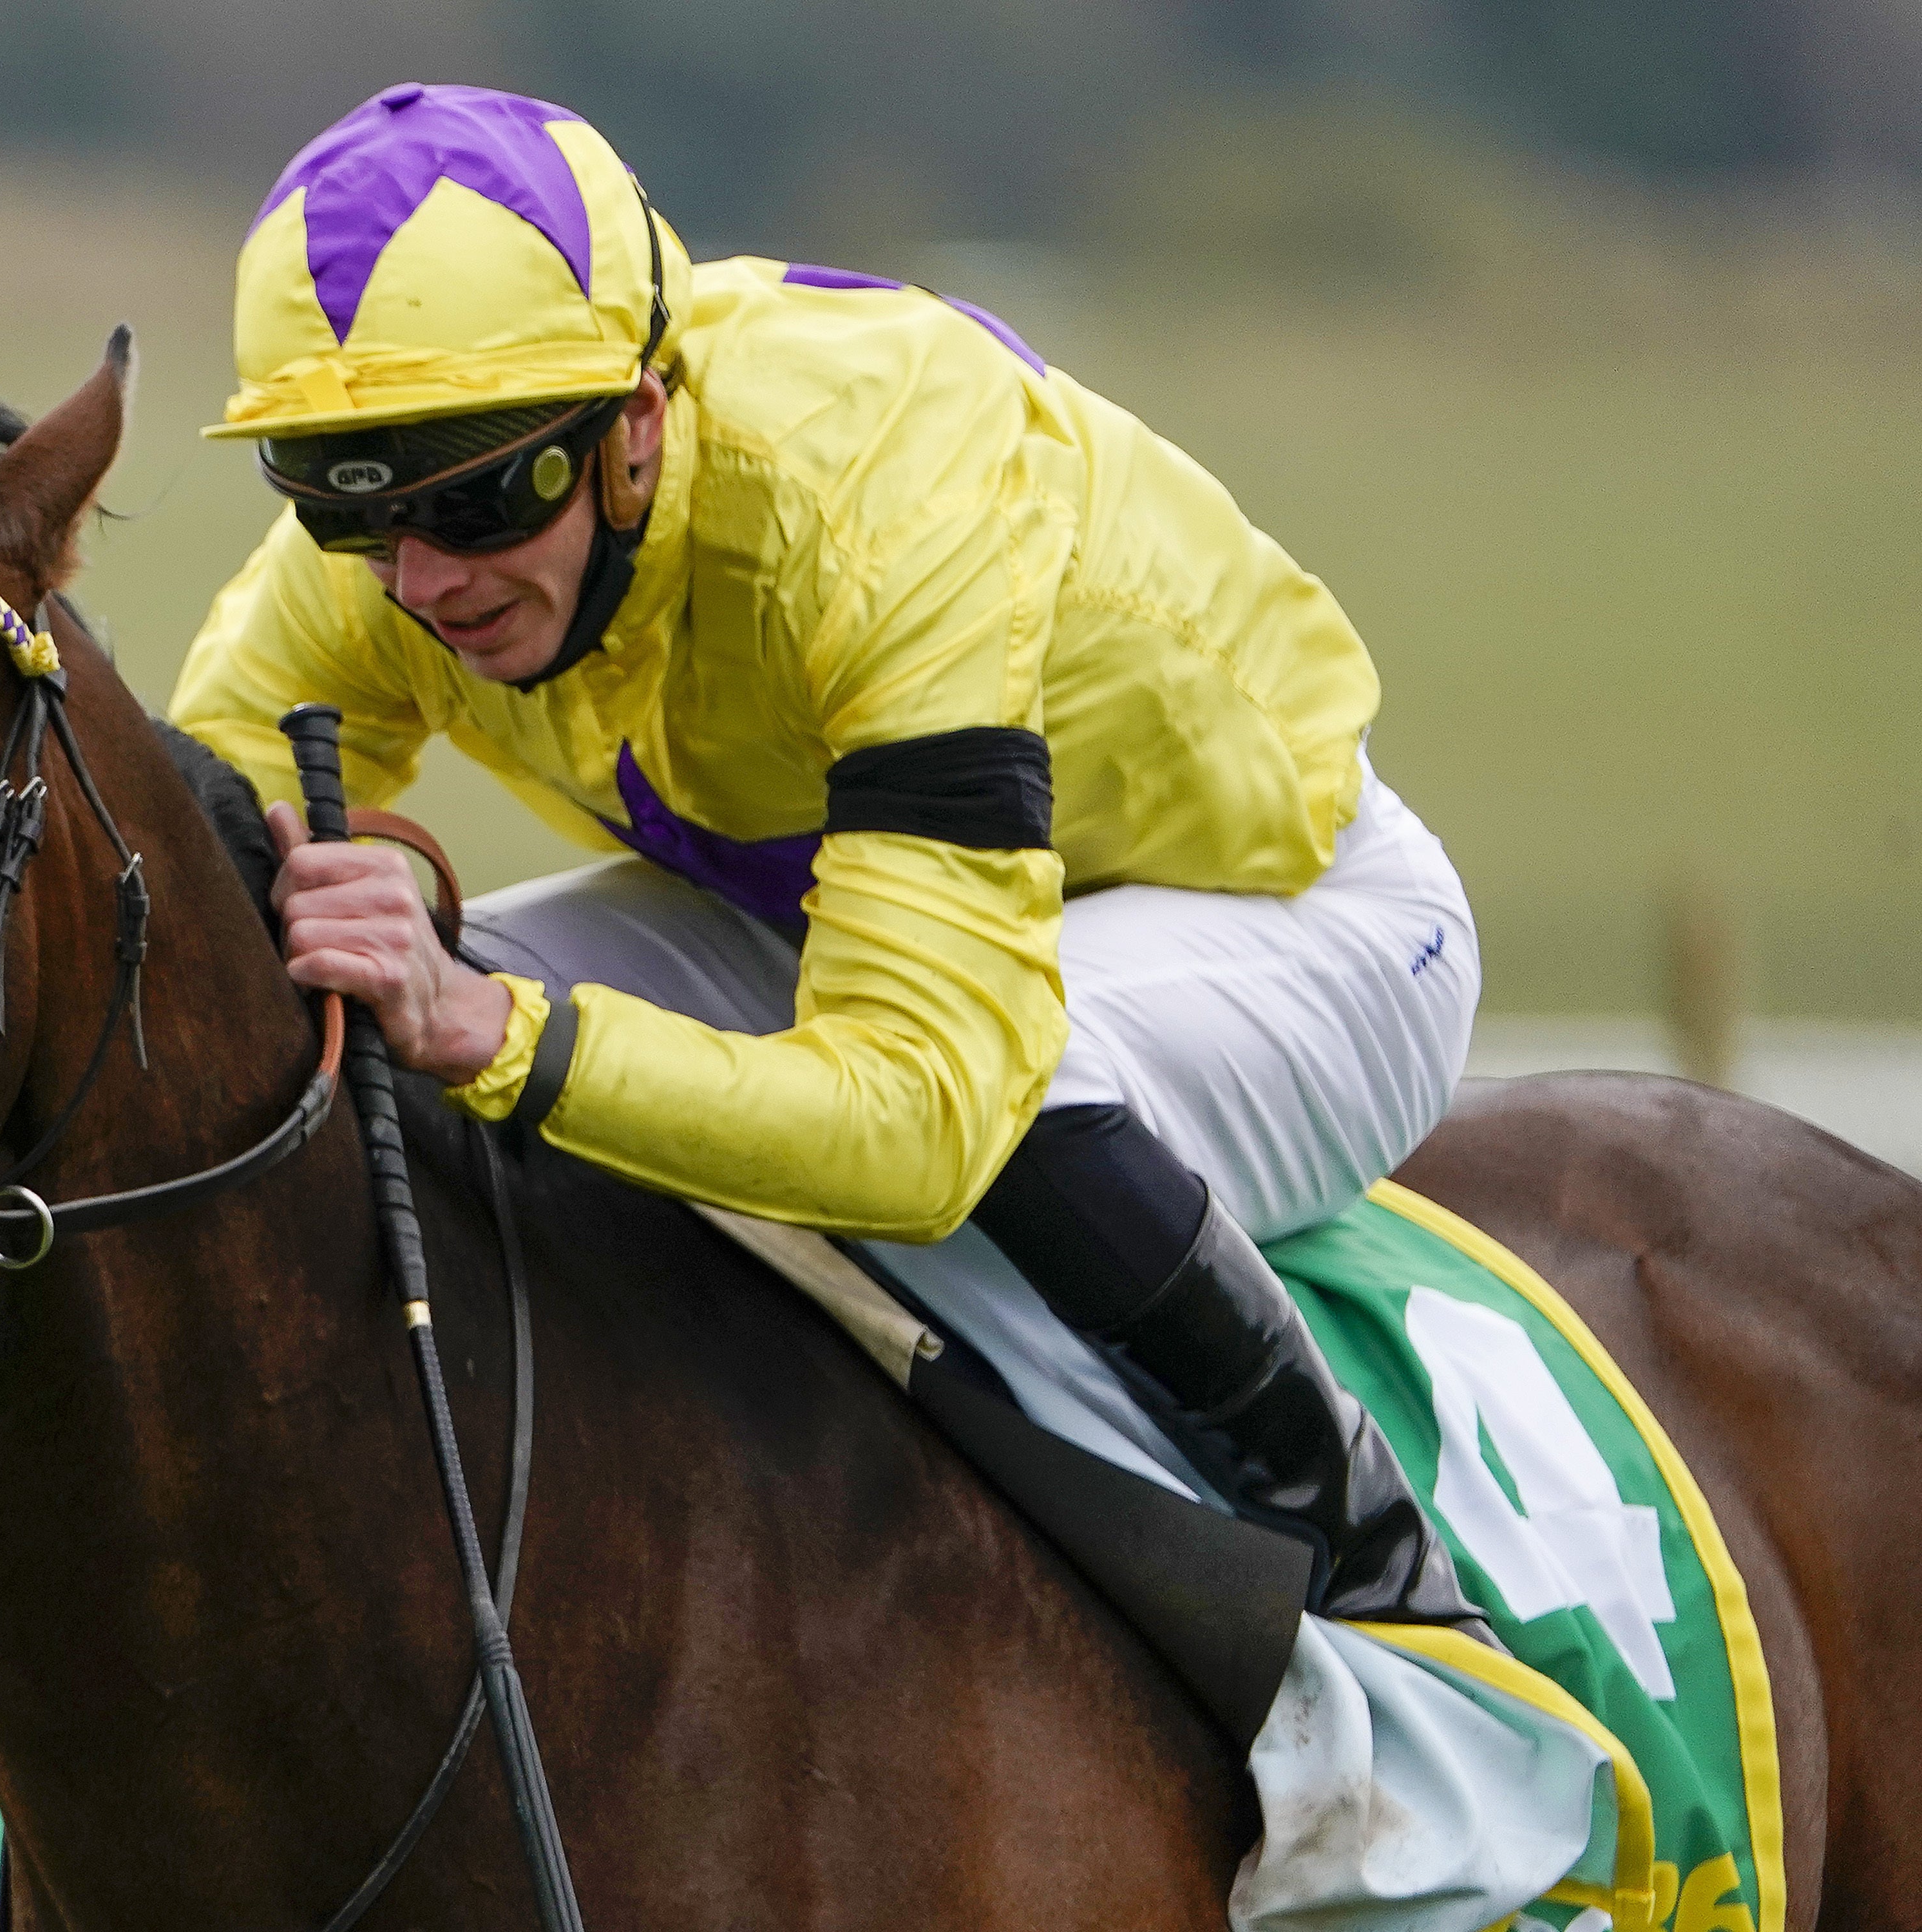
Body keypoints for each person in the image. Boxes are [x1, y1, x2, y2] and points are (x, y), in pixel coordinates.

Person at [170, 81, 1490, 1638]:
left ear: (637, 423)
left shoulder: (876, 490)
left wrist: (494, 1027)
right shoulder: (401, 544)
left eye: (481, 492)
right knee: (378, 1026)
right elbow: (195, 881)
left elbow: (926, 1117)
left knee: (986, 1106)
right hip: (841, 915)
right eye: (344, 501)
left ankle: (1370, 1574)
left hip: (1292, 921)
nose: (428, 577)